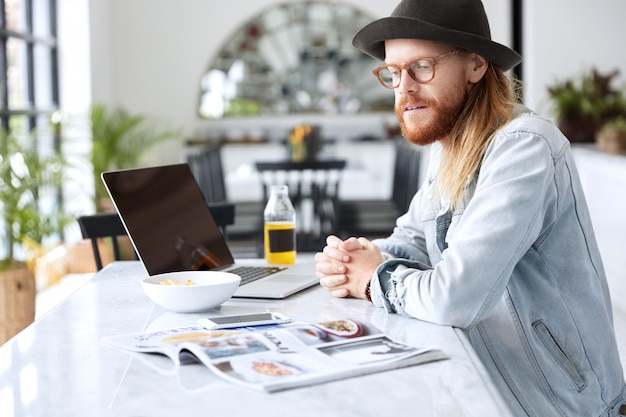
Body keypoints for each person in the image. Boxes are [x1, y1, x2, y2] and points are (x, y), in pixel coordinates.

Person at [314, 0, 626, 416]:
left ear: (476, 65)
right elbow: (411, 242)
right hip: (489, 393)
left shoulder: (526, 146)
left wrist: (374, 280)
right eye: (393, 72)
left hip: (562, 405)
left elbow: (453, 299)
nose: (403, 87)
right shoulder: (450, 148)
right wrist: (352, 261)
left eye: (421, 67)